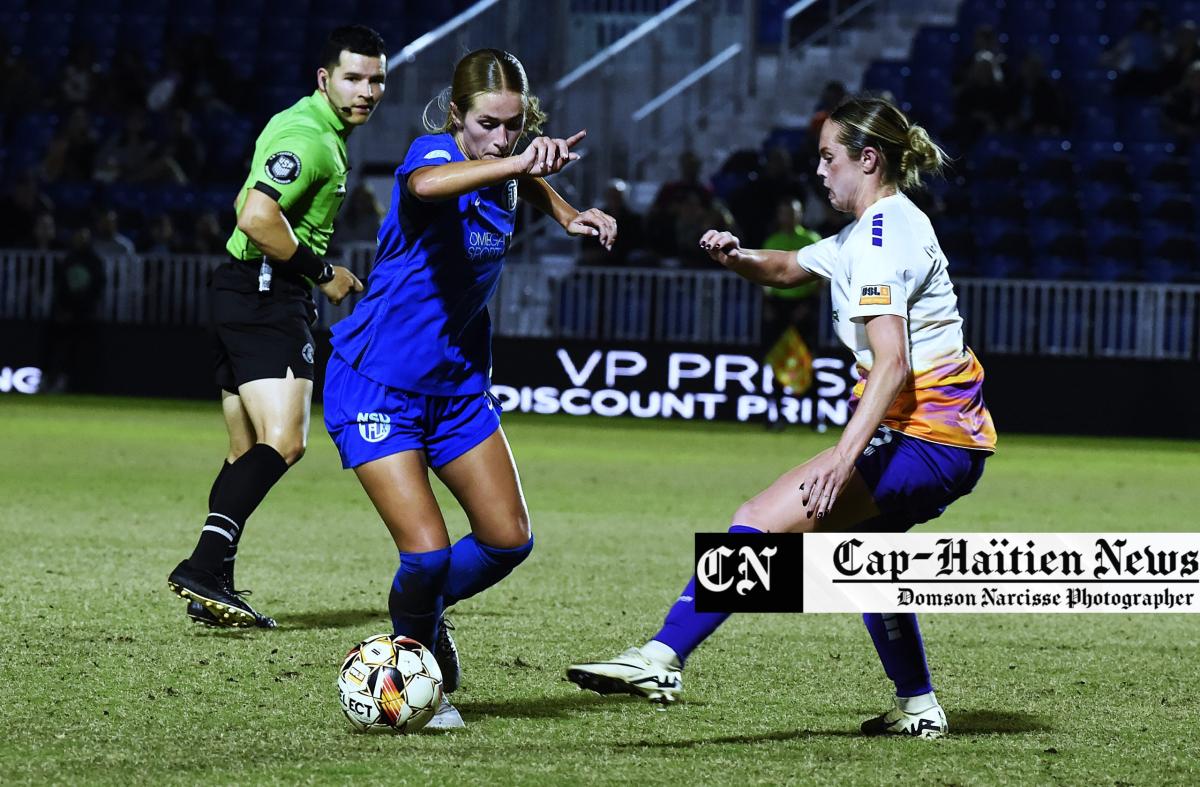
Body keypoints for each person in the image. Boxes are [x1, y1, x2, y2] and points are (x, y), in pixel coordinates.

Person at [567, 96, 996, 739]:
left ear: (868, 159)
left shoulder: (881, 239)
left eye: (829, 158)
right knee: (860, 565)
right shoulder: (874, 230)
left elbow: (891, 365)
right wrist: (736, 256)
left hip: (925, 439)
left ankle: (662, 656)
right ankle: (919, 707)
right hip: (945, 440)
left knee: (758, 521)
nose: (819, 172)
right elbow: (789, 266)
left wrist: (843, 460)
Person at [322, 48, 616, 729]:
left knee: (508, 538)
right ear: (457, 115)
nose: (500, 138)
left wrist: (567, 210)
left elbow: (515, 181)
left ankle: (423, 612)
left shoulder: (506, 169)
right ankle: (407, 671)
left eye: (513, 127)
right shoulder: (430, 152)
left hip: (456, 385)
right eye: (486, 124)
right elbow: (431, 187)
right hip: (376, 382)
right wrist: (520, 163)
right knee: (424, 552)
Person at [166, 25, 386, 629]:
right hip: (267, 291)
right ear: (324, 78)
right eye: (353, 77)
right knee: (285, 442)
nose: (367, 90)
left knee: (245, 452)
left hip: (241, 287)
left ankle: (215, 584)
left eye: (376, 79)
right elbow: (257, 215)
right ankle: (205, 566)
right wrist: (324, 274)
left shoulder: (307, 124)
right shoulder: (310, 136)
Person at [759, 197, 823, 431]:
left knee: (808, 362)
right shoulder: (773, 240)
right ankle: (776, 415)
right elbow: (763, 275)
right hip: (780, 308)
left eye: (793, 212)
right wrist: (767, 304)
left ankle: (815, 417)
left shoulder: (810, 239)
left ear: (800, 215)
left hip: (804, 307)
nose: (789, 217)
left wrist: (809, 305)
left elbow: (820, 278)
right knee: (777, 362)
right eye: (785, 212)